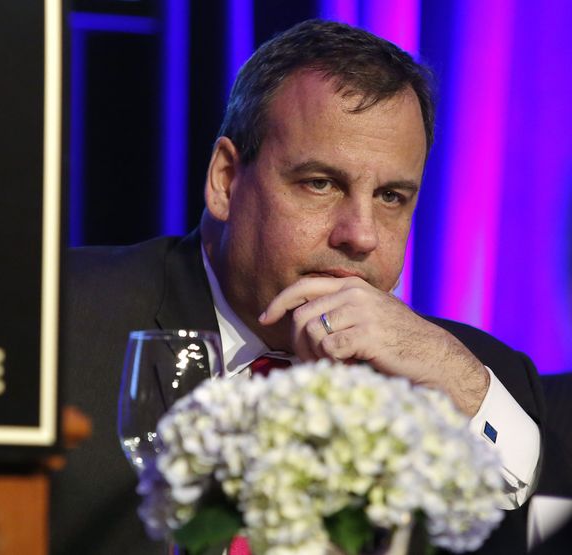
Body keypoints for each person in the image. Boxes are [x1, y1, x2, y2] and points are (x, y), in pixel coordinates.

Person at [52, 19, 544, 555]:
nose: (360, 235)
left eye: (391, 197)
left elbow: (539, 516)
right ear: (225, 181)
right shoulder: (59, 319)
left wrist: (462, 382)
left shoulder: (468, 376)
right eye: (320, 183)